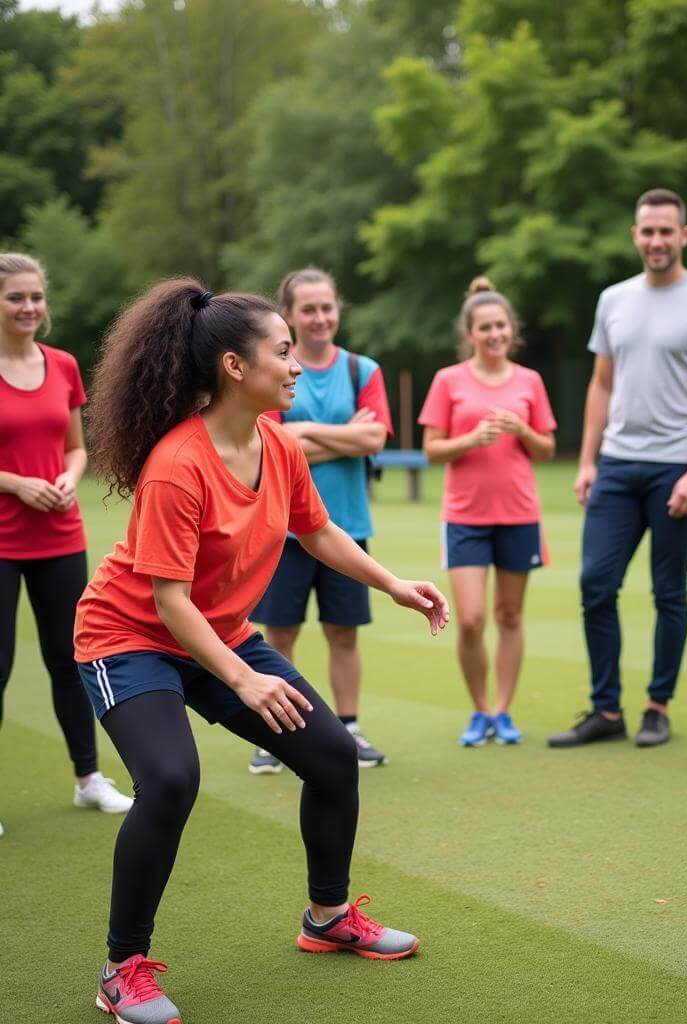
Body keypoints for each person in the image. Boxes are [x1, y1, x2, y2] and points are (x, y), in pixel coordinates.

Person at [74, 280, 448, 1024]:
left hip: (220, 634)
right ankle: (121, 969)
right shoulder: (179, 463)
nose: (296, 363)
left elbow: (316, 531)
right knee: (171, 780)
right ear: (235, 369)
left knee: (333, 755)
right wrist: (243, 679)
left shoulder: (277, 443)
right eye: (282, 351)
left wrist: (392, 582)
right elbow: (169, 601)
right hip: (129, 639)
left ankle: (327, 916)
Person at [548, 188, 687, 750]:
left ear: (684, 236)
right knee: (595, 584)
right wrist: (587, 459)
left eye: (666, 231)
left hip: (677, 466)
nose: (656, 240)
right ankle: (607, 711)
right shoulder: (613, 300)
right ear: (635, 236)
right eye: (647, 231)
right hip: (616, 463)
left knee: (668, 590)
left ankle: (658, 705)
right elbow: (602, 383)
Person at [0, 252, 132, 841]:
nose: (29, 307)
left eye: (35, 297)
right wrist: (15, 483)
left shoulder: (64, 366)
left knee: (70, 661)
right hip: (3, 539)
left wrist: (66, 477)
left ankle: (88, 779)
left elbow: (77, 448)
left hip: (59, 534)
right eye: (15, 298)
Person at [248, 268, 393, 774]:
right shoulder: (274, 368)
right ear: (288, 315)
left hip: (346, 527)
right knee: (279, 634)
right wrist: (339, 434)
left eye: (327, 307)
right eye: (308, 309)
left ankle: (349, 727)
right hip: (280, 531)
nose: (320, 318)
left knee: (344, 633)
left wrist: (306, 432)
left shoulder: (361, 370)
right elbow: (271, 445)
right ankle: (275, 734)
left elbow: (375, 440)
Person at [420, 277, 556, 746]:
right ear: (470, 333)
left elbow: (546, 449)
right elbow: (431, 451)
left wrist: (522, 428)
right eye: (485, 328)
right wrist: (470, 440)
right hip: (465, 516)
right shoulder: (448, 381)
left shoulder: (530, 381)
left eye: (501, 326)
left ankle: (503, 711)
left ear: (510, 330)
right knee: (473, 618)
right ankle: (479, 709)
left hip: (520, 513)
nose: (495, 334)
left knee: (511, 616)